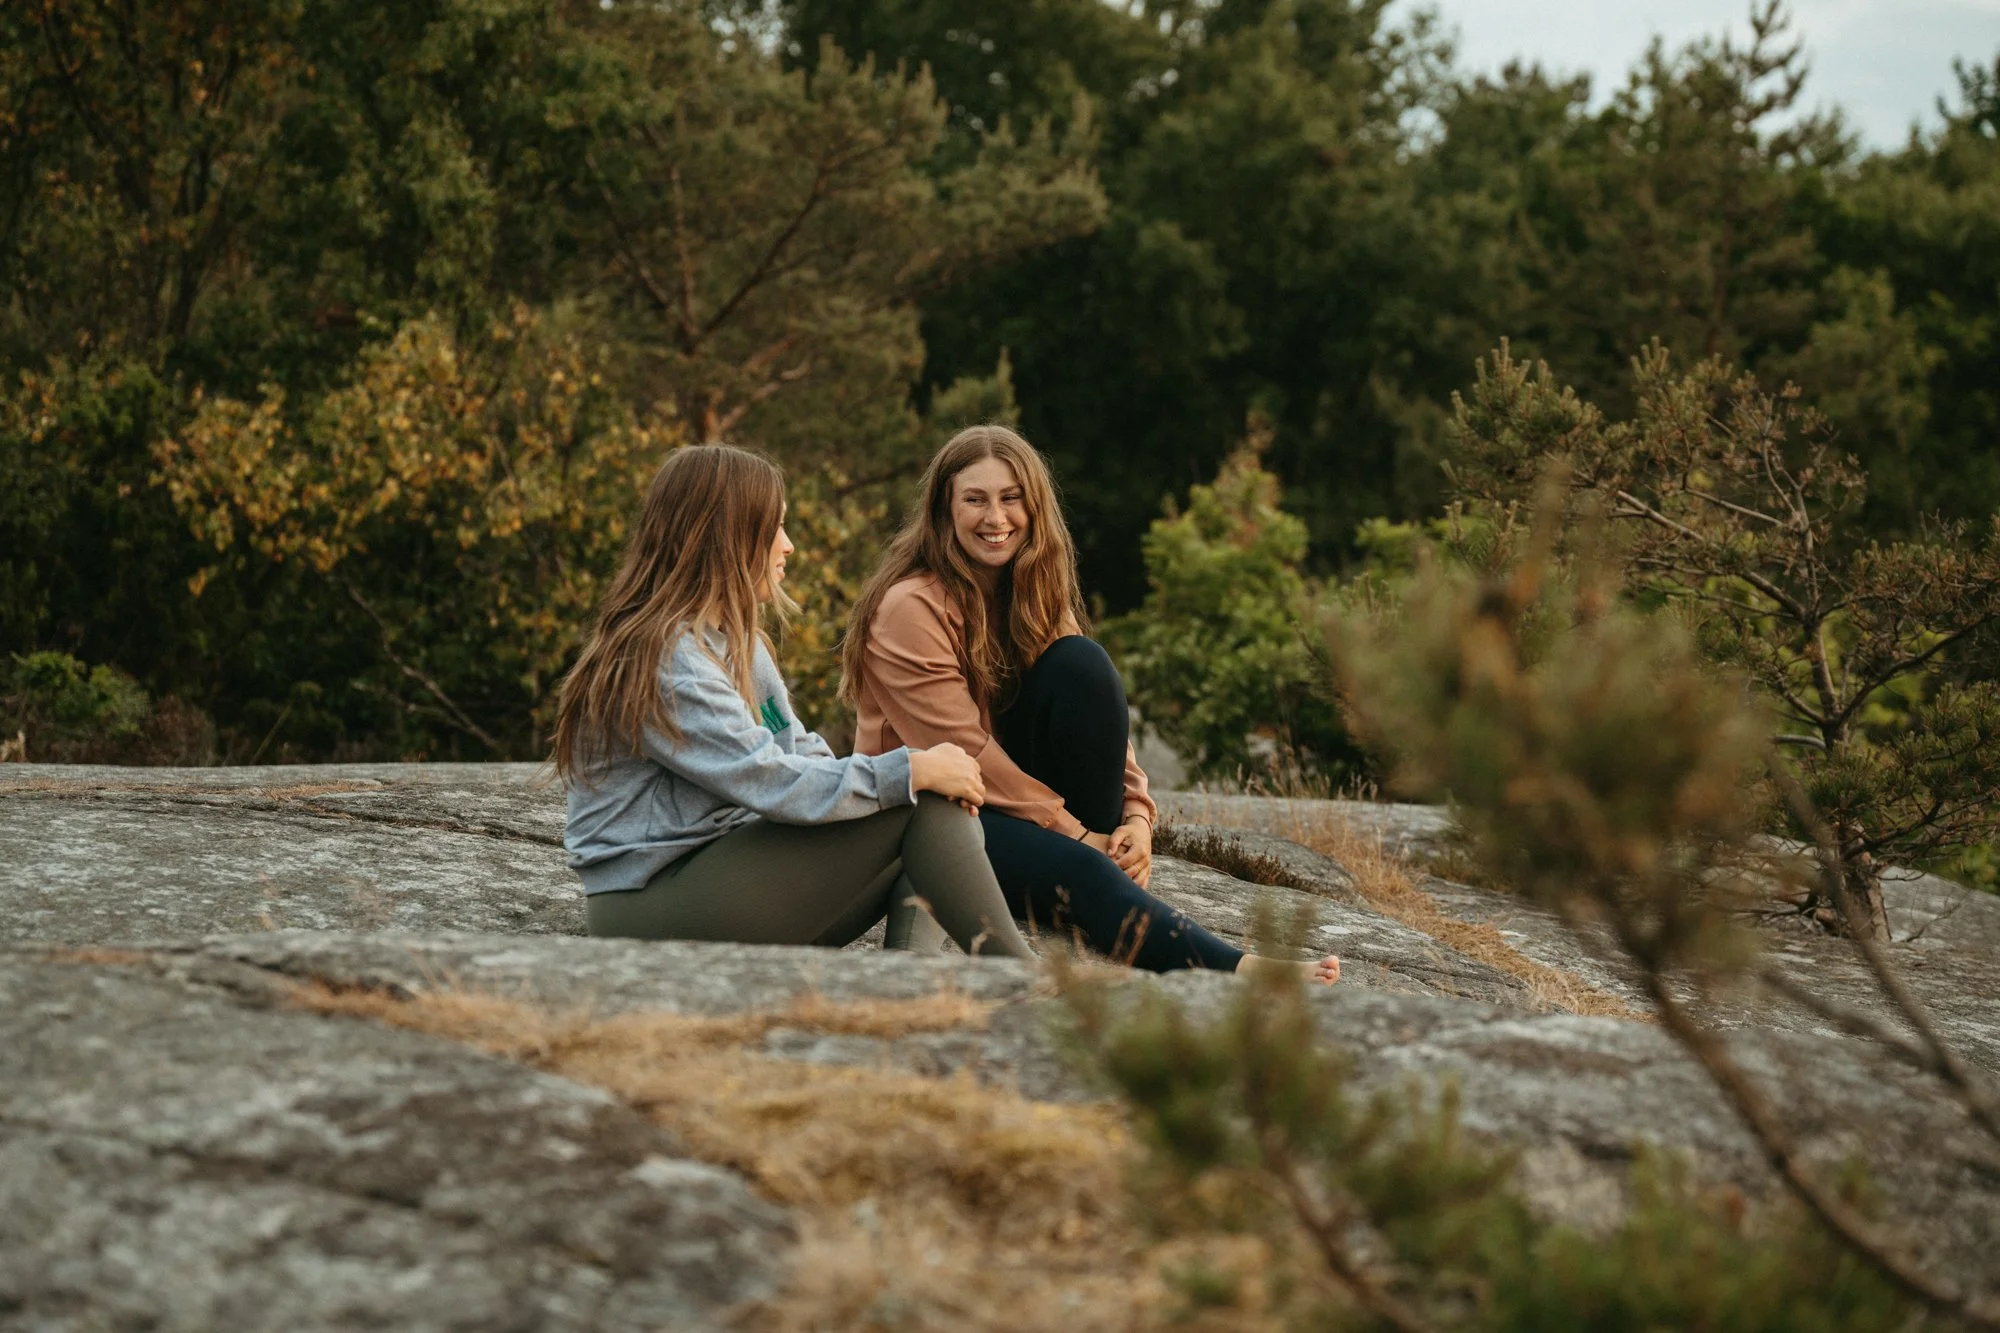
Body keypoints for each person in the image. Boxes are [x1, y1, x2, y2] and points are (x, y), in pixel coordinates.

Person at [842, 425, 1341, 983]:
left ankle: (1093, 871)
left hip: (1009, 796)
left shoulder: (1033, 587)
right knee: (1081, 866)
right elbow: (964, 747)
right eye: (974, 500)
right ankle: (1243, 969)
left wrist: (1136, 818)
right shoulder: (911, 606)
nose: (995, 518)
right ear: (944, 510)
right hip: (934, 809)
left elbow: (1098, 715)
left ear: (1034, 506)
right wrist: (1076, 835)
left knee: (1083, 664)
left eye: (1011, 499)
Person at [555, 443, 1037, 960]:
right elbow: (768, 779)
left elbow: (797, 751)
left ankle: (909, 985)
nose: (788, 547)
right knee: (924, 800)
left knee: (929, 806)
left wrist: (902, 783)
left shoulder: (738, 644)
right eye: (775, 529)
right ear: (727, 538)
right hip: (650, 906)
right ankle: (1025, 982)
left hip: (733, 881)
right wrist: (910, 770)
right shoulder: (665, 660)